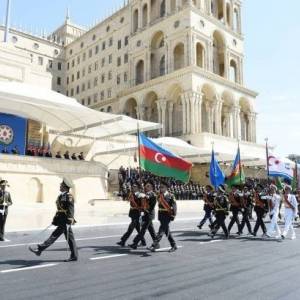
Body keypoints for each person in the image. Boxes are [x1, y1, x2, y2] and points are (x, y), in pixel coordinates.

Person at [29, 179, 78, 262]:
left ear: (65, 187)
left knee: (54, 235)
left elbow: (71, 209)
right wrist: (55, 219)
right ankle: (74, 256)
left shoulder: (69, 196)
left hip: (65, 221)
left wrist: (69, 220)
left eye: (61, 185)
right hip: (61, 219)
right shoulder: (60, 196)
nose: (60, 186)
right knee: (70, 238)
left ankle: (40, 248)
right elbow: (59, 209)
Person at [149, 181, 177, 252]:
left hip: (167, 215)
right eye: (160, 187)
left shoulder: (171, 195)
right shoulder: (159, 195)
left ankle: (155, 243)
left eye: (162, 187)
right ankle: (174, 245)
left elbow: (174, 206)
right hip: (161, 215)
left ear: (166, 188)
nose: (161, 188)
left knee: (161, 230)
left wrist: (173, 215)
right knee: (167, 231)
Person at [129, 180, 157, 249]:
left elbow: (150, 201)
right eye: (146, 186)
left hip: (149, 214)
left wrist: (144, 195)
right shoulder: (146, 194)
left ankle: (135, 243)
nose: (146, 187)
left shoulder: (153, 194)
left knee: (143, 230)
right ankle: (156, 244)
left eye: (148, 186)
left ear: (152, 187)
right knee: (151, 231)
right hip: (146, 214)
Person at [116, 182, 146, 247]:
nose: (133, 187)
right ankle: (143, 241)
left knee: (130, 228)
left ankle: (123, 241)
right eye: (133, 186)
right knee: (138, 229)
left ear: (138, 187)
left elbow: (142, 206)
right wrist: (119, 194)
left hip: (137, 213)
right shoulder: (131, 194)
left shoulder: (140, 195)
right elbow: (125, 196)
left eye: (135, 186)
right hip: (132, 213)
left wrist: (141, 212)